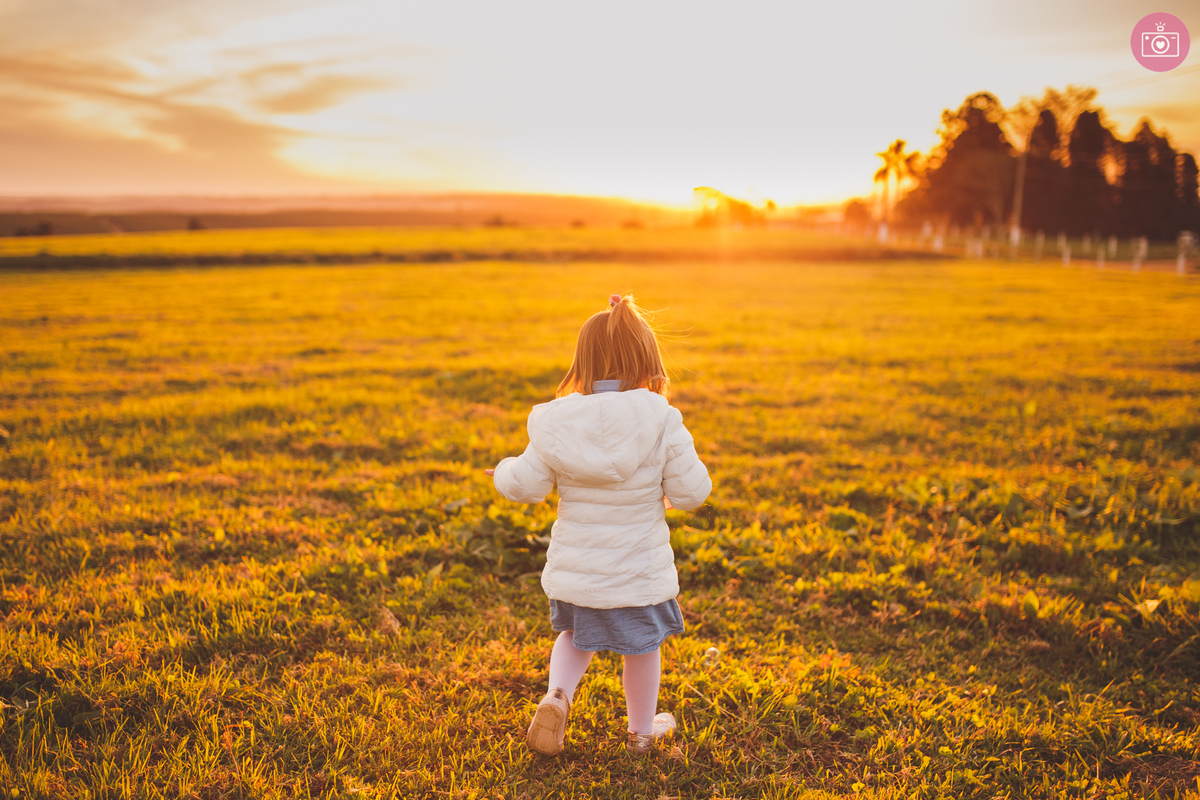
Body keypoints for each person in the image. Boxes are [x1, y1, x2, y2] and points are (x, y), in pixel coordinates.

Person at [485, 293, 712, 757]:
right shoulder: (662, 418)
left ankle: (557, 696)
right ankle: (641, 735)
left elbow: (527, 484)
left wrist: (503, 472)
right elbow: (692, 493)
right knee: (643, 648)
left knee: (574, 637)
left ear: (582, 363)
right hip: (638, 573)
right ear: (649, 361)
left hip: (579, 572)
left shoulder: (556, 420)